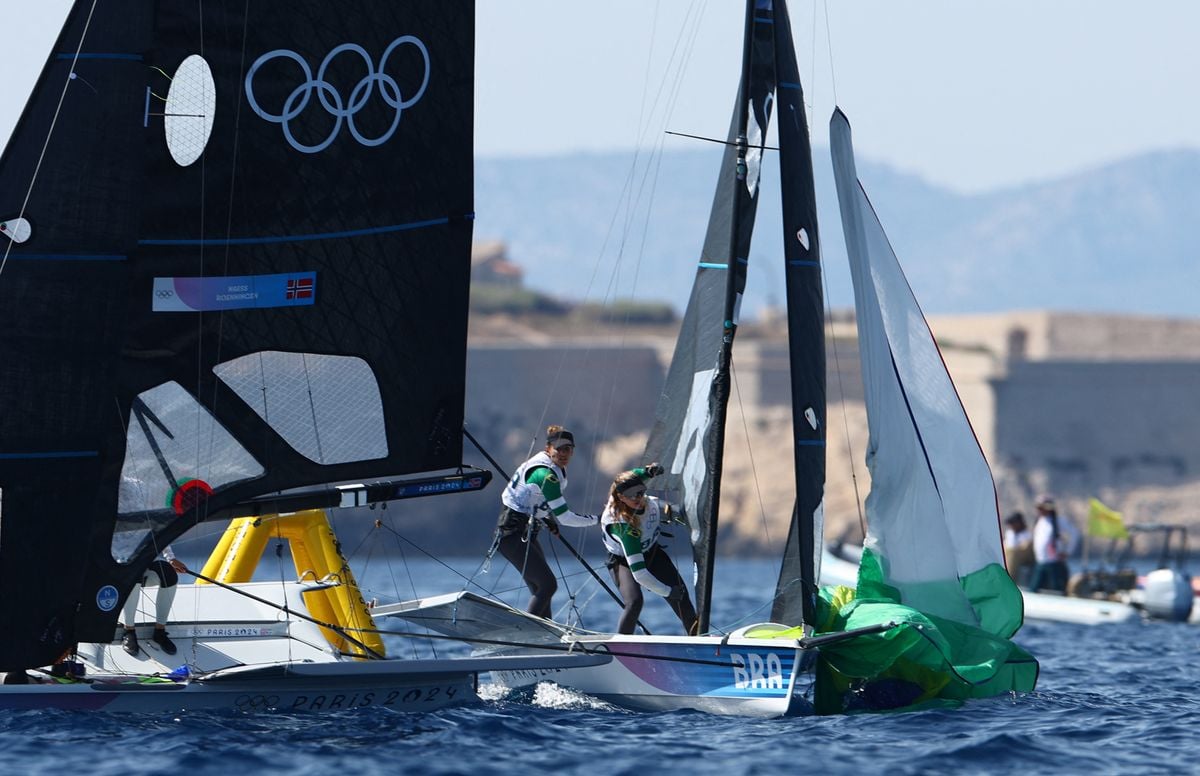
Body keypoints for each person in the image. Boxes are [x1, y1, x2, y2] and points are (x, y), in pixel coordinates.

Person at [496, 425, 598, 619]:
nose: (564, 453)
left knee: (540, 587)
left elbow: (534, 499)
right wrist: (599, 520)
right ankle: (528, 631)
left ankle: (545, 632)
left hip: (526, 532)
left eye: (568, 449)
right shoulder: (547, 475)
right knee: (548, 585)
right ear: (548, 448)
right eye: (559, 448)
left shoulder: (553, 468)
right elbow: (566, 518)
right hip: (511, 535)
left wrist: (547, 518)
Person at [601, 464, 698, 636]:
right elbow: (640, 575)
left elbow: (636, 475)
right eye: (633, 496)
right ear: (621, 497)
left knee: (682, 595)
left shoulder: (650, 503)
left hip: (652, 551)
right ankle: (622, 647)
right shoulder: (622, 526)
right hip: (623, 562)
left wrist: (648, 471)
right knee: (634, 602)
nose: (639, 498)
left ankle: (698, 637)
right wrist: (667, 591)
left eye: (641, 492)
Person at [121, 546, 188, 656]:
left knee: (168, 573)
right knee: (133, 571)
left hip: (144, 568)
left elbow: (158, 532)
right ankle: (129, 630)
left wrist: (170, 558)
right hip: (119, 570)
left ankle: (159, 631)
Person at [1029, 495, 1079, 593]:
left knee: (1057, 590)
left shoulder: (1058, 521)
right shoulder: (1039, 521)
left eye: (1041, 507)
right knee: (1033, 589)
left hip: (1054, 563)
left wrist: (1067, 552)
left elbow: (1074, 533)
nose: (1039, 510)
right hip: (1040, 562)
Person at [1003, 511, 1035, 587]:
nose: (1011, 526)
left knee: (1013, 554)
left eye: (1012, 523)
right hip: (1009, 558)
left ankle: (1008, 580)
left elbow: (1023, 549)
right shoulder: (1010, 534)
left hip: (1022, 560)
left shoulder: (1027, 535)